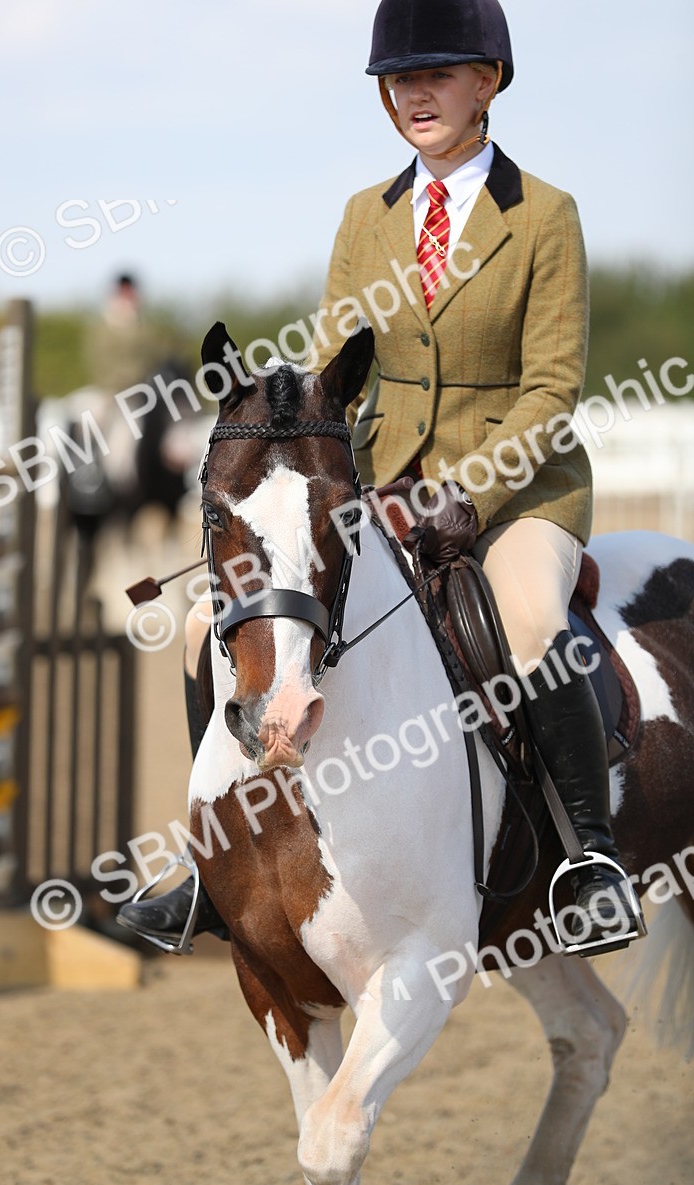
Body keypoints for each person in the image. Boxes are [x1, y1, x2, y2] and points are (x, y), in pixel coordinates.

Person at [118, 0, 643, 955]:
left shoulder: (546, 216)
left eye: (437, 75)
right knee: (210, 622)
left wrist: (472, 497)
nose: (415, 94)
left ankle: (588, 859)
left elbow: (553, 389)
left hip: (519, 489)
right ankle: (209, 863)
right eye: (401, 80)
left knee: (528, 620)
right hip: (383, 484)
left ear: (487, 82)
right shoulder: (368, 216)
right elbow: (327, 384)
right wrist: (301, 479)